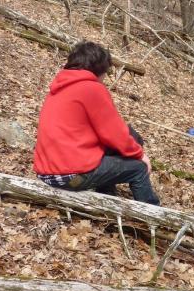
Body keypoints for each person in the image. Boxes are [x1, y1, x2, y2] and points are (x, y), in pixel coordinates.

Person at [33, 42, 160, 205]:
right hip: (70, 176)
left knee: (131, 137)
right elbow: (115, 135)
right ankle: (153, 216)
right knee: (138, 169)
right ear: (100, 69)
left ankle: (107, 195)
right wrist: (141, 156)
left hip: (47, 172)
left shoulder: (59, 87)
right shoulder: (91, 88)